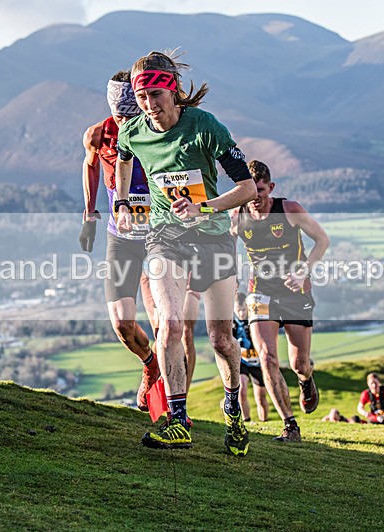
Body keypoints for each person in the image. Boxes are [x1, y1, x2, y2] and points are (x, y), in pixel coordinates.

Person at [116, 51, 257, 455]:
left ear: (174, 90)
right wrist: (123, 201)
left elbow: (246, 189)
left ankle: (233, 406)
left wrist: (205, 207)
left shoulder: (205, 127)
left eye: (156, 95)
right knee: (171, 324)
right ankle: (178, 419)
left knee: (221, 339)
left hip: (213, 236)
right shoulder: (134, 130)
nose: (150, 106)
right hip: (166, 236)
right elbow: (124, 157)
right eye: (142, 97)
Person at [79, 70, 162, 412]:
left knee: (165, 321)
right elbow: (91, 167)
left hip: (160, 236)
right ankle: (150, 363)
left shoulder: (158, 132)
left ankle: (174, 407)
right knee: (122, 324)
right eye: (120, 115)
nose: (126, 121)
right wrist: (89, 216)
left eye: (133, 115)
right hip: (122, 234)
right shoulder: (97, 135)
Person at [231, 160, 330, 442]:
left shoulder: (289, 210)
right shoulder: (237, 215)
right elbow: (225, 244)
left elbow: (322, 240)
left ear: (270, 187)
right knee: (267, 357)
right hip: (259, 292)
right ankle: (290, 425)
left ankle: (305, 379)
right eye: (249, 192)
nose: (255, 198)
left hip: (294, 292)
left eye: (260, 191)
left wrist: (304, 271)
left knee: (299, 362)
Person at [233, 292, 268, 422]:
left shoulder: (255, 321)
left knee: (261, 397)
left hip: (257, 362)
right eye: (238, 310)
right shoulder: (232, 324)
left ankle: (264, 421)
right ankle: (246, 421)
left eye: (243, 310)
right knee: (241, 390)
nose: (241, 314)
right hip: (242, 361)